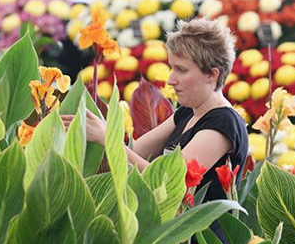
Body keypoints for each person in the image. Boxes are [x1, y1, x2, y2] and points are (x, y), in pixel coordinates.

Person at [62, 18, 249, 203]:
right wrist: (102, 130)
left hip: (200, 233)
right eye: (172, 68)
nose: (171, 80)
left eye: (181, 70)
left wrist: (106, 138)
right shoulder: (188, 111)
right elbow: (136, 152)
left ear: (212, 75)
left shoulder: (223, 124)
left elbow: (169, 180)